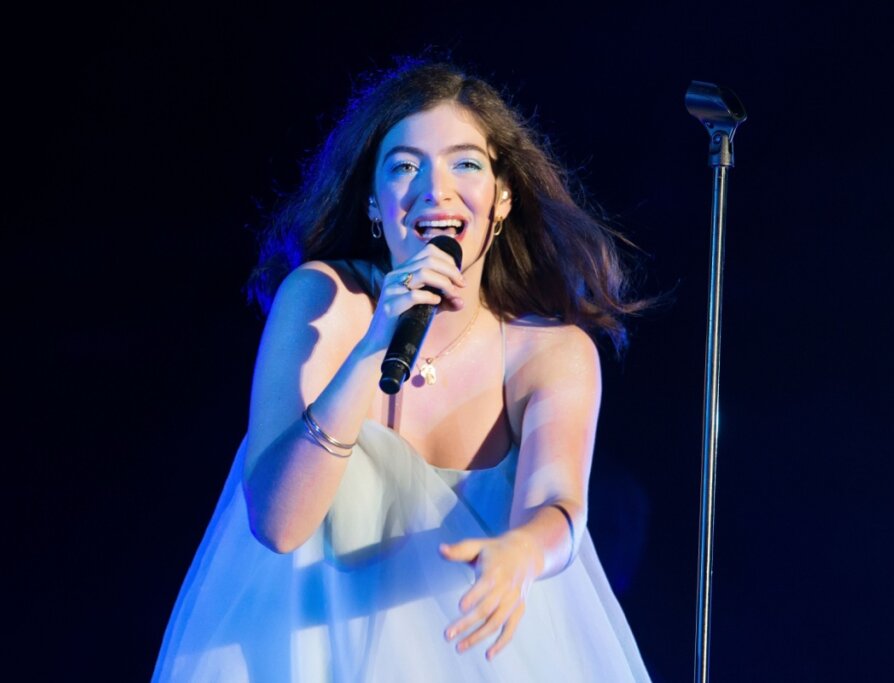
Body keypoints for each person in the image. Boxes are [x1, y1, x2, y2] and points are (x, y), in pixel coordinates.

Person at [153, 59, 651, 682]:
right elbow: (278, 525)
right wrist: (372, 347)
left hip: (480, 653)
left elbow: (556, 501)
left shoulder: (550, 353)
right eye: (405, 166)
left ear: (501, 197)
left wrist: (521, 551)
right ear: (373, 203)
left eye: (465, 163)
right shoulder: (322, 303)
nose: (435, 190)